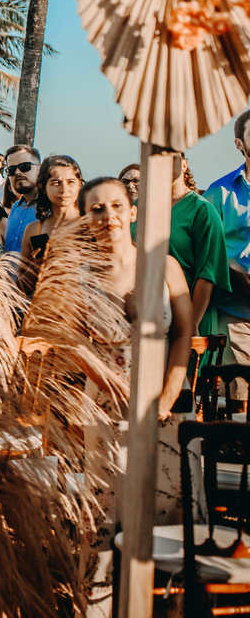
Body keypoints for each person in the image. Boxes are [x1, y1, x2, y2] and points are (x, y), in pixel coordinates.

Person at [79, 177, 194, 522]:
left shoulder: (165, 266)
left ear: (132, 212)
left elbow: (184, 333)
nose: (108, 216)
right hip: (107, 398)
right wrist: (116, 388)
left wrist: (168, 396)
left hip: (165, 395)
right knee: (111, 500)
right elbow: (72, 342)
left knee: (170, 495)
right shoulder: (78, 275)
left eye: (116, 206)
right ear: (85, 218)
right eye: (97, 209)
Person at [161, 152, 229, 337]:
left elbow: (208, 273)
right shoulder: (138, 207)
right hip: (146, 314)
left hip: (190, 314)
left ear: (184, 164)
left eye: (171, 157)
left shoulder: (202, 210)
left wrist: (190, 324)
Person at [205, 109, 250, 371]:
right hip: (236, 311)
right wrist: (233, 269)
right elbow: (207, 250)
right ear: (239, 143)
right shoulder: (219, 192)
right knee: (239, 388)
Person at [20, 154, 82, 263]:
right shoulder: (34, 230)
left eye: (71, 182)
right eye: (56, 183)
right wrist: (35, 266)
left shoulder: (91, 225)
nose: (64, 189)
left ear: (79, 185)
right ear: (43, 187)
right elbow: (22, 272)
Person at [2, 144, 42, 252]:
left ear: (39, 169)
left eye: (25, 167)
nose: (17, 172)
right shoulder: (15, 208)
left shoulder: (50, 207)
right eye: (11, 170)